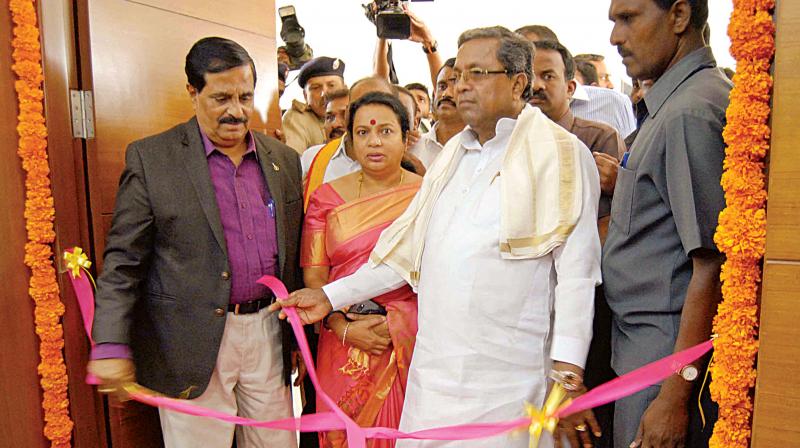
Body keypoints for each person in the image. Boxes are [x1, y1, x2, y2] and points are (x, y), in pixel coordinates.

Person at [272, 26, 602, 448]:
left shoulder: (561, 154)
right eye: (457, 74)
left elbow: (578, 274)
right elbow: (403, 253)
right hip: (433, 380)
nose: (460, 86)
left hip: (509, 385)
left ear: (518, 82)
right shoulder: (451, 158)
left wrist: (568, 375)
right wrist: (330, 296)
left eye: (477, 73)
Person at [87, 37, 303, 447]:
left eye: (245, 96)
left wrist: (299, 340)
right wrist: (110, 342)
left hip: (269, 333)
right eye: (221, 98)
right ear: (193, 92)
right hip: (191, 341)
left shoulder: (282, 159)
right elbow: (123, 261)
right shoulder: (154, 160)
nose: (237, 111)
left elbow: (293, 253)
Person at [604, 1, 730, 447]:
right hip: (645, 352)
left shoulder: (688, 113)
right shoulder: (675, 101)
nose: (616, 37)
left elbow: (712, 265)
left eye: (629, 18)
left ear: (678, 17)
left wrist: (676, 394)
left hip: (664, 364)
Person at [302, 92, 423, 447]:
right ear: (350, 141)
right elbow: (314, 277)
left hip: (406, 338)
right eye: (363, 133)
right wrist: (341, 328)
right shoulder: (326, 197)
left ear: (406, 137)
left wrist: (397, 323)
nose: (374, 142)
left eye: (386, 132)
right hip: (341, 337)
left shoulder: (428, 195)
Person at [530, 39, 625, 448]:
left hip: (585, 302)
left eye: (547, 76)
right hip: (526, 309)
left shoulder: (596, 138)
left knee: (579, 423)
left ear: (570, 87)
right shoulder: (509, 144)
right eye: (528, 76)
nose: (536, 85)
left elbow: (609, 225)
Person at [518, 26, 637, 139]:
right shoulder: (508, 116)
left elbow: (631, 156)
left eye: (548, 76)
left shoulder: (613, 104)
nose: (535, 85)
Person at [302, 76, 397, 208]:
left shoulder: (406, 164)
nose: (370, 113)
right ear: (348, 113)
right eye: (359, 106)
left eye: (381, 106)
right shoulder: (313, 159)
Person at [408, 58, 466, 169]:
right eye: (442, 87)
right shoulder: (411, 147)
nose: (446, 94)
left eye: (455, 85)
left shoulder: (483, 149)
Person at [283, 56, 347, 153]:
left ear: (344, 89)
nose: (324, 94)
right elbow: (294, 163)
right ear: (305, 96)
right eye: (316, 88)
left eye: (331, 85)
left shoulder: (358, 114)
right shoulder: (297, 119)